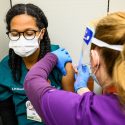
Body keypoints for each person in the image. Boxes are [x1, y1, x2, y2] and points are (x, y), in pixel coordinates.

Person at [24, 11, 125, 125]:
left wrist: (51, 57)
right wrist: (81, 88)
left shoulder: (87, 114)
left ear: (95, 58)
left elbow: (31, 82)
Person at [0, 3, 75, 125]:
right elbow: (7, 111)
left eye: (29, 33)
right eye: (15, 34)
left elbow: (71, 110)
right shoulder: (6, 66)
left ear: (42, 33)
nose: (21, 39)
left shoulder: (60, 60)